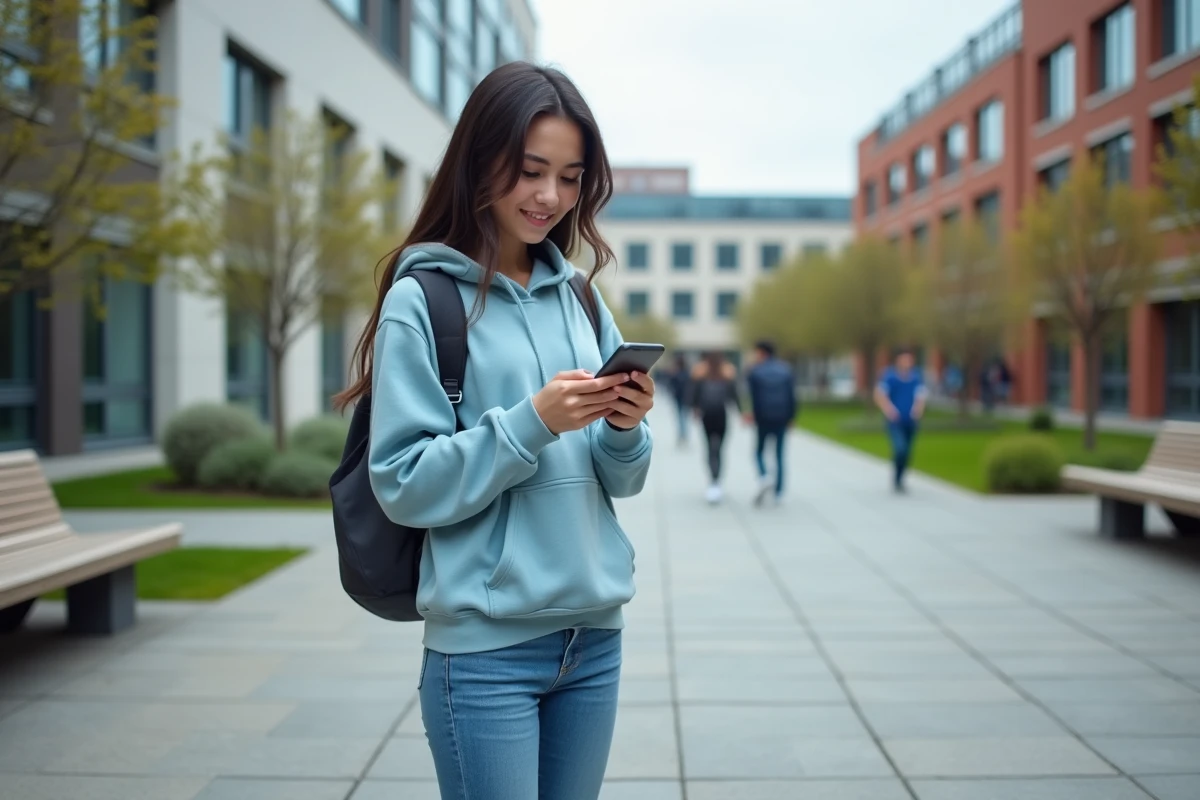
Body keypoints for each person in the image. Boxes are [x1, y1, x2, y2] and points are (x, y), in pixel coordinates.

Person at [334, 62, 654, 800]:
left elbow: (624, 481)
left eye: (570, 177)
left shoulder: (578, 296)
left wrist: (624, 431)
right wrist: (530, 424)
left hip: (593, 637)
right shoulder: (425, 299)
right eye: (530, 170)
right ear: (482, 162)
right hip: (485, 654)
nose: (550, 197)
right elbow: (404, 484)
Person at [744, 340, 797, 506]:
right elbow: (792, 396)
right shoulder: (786, 370)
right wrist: (792, 417)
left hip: (763, 417)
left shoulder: (755, 371)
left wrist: (751, 414)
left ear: (762, 352)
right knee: (779, 454)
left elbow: (752, 396)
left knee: (759, 451)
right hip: (782, 416)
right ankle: (779, 492)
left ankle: (764, 476)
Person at [689, 350, 742, 504]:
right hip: (721, 415)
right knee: (719, 449)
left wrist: (695, 409)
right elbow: (735, 396)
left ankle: (713, 480)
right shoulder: (727, 376)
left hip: (707, 416)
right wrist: (741, 412)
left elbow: (694, 396)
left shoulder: (700, 375)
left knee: (710, 448)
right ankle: (717, 480)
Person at [874, 348, 926, 493]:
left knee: (907, 451)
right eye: (904, 359)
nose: (907, 362)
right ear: (898, 361)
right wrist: (889, 410)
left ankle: (901, 478)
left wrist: (918, 411)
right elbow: (879, 394)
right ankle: (897, 477)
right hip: (895, 422)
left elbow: (921, 396)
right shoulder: (890, 376)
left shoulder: (916, 377)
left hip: (911, 421)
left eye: (909, 360)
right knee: (900, 449)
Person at [664, 352, 692, 446]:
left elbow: (671, 385)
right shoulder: (687, 373)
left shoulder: (676, 373)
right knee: (684, 417)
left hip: (679, 398)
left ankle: (682, 435)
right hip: (685, 398)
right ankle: (683, 435)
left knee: (680, 417)